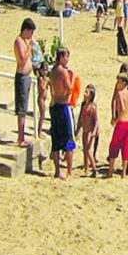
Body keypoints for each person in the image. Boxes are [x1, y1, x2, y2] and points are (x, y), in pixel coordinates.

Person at [48, 47, 75, 180]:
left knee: (56, 139)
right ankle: (70, 169)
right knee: (69, 139)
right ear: (61, 57)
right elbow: (69, 88)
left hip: (54, 106)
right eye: (66, 57)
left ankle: (57, 169)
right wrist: (72, 76)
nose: (67, 59)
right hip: (63, 106)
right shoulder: (63, 72)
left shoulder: (53, 71)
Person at [107, 72, 128, 178]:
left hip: (121, 123)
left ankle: (110, 172)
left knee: (114, 146)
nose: (117, 83)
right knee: (126, 147)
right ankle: (123, 173)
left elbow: (122, 108)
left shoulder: (120, 93)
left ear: (124, 83)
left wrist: (115, 119)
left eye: (119, 81)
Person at [13, 18, 36, 146]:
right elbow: (22, 60)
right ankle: (20, 137)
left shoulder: (24, 41)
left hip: (26, 75)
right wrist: (29, 46)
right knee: (21, 108)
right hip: (21, 76)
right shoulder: (19, 41)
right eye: (30, 32)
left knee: (24, 107)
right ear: (26, 30)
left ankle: (21, 136)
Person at [75, 84, 99, 177]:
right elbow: (81, 117)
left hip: (90, 130)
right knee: (85, 150)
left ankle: (94, 169)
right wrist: (77, 129)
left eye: (86, 92)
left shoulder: (92, 106)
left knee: (88, 150)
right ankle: (86, 168)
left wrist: (94, 131)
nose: (84, 94)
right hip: (85, 130)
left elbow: (96, 120)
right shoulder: (83, 104)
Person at [35, 62, 49, 138]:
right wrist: (46, 81)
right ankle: (39, 131)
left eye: (46, 70)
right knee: (42, 115)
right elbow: (42, 88)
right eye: (43, 70)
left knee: (43, 115)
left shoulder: (45, 78)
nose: (45, 72)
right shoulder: (40, 79)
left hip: (44, 99)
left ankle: (39, 130)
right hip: (41, 99)